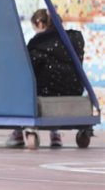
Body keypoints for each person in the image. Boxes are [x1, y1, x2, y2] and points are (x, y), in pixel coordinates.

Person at [6, 8, 85, 148]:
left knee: (24, 86)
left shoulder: (38, 44)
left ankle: (18, 132)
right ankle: (55, 134)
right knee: (52, 81)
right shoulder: (75, 41)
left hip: (47, 90)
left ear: (40, 24)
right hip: (75, 88)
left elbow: (28, 70)